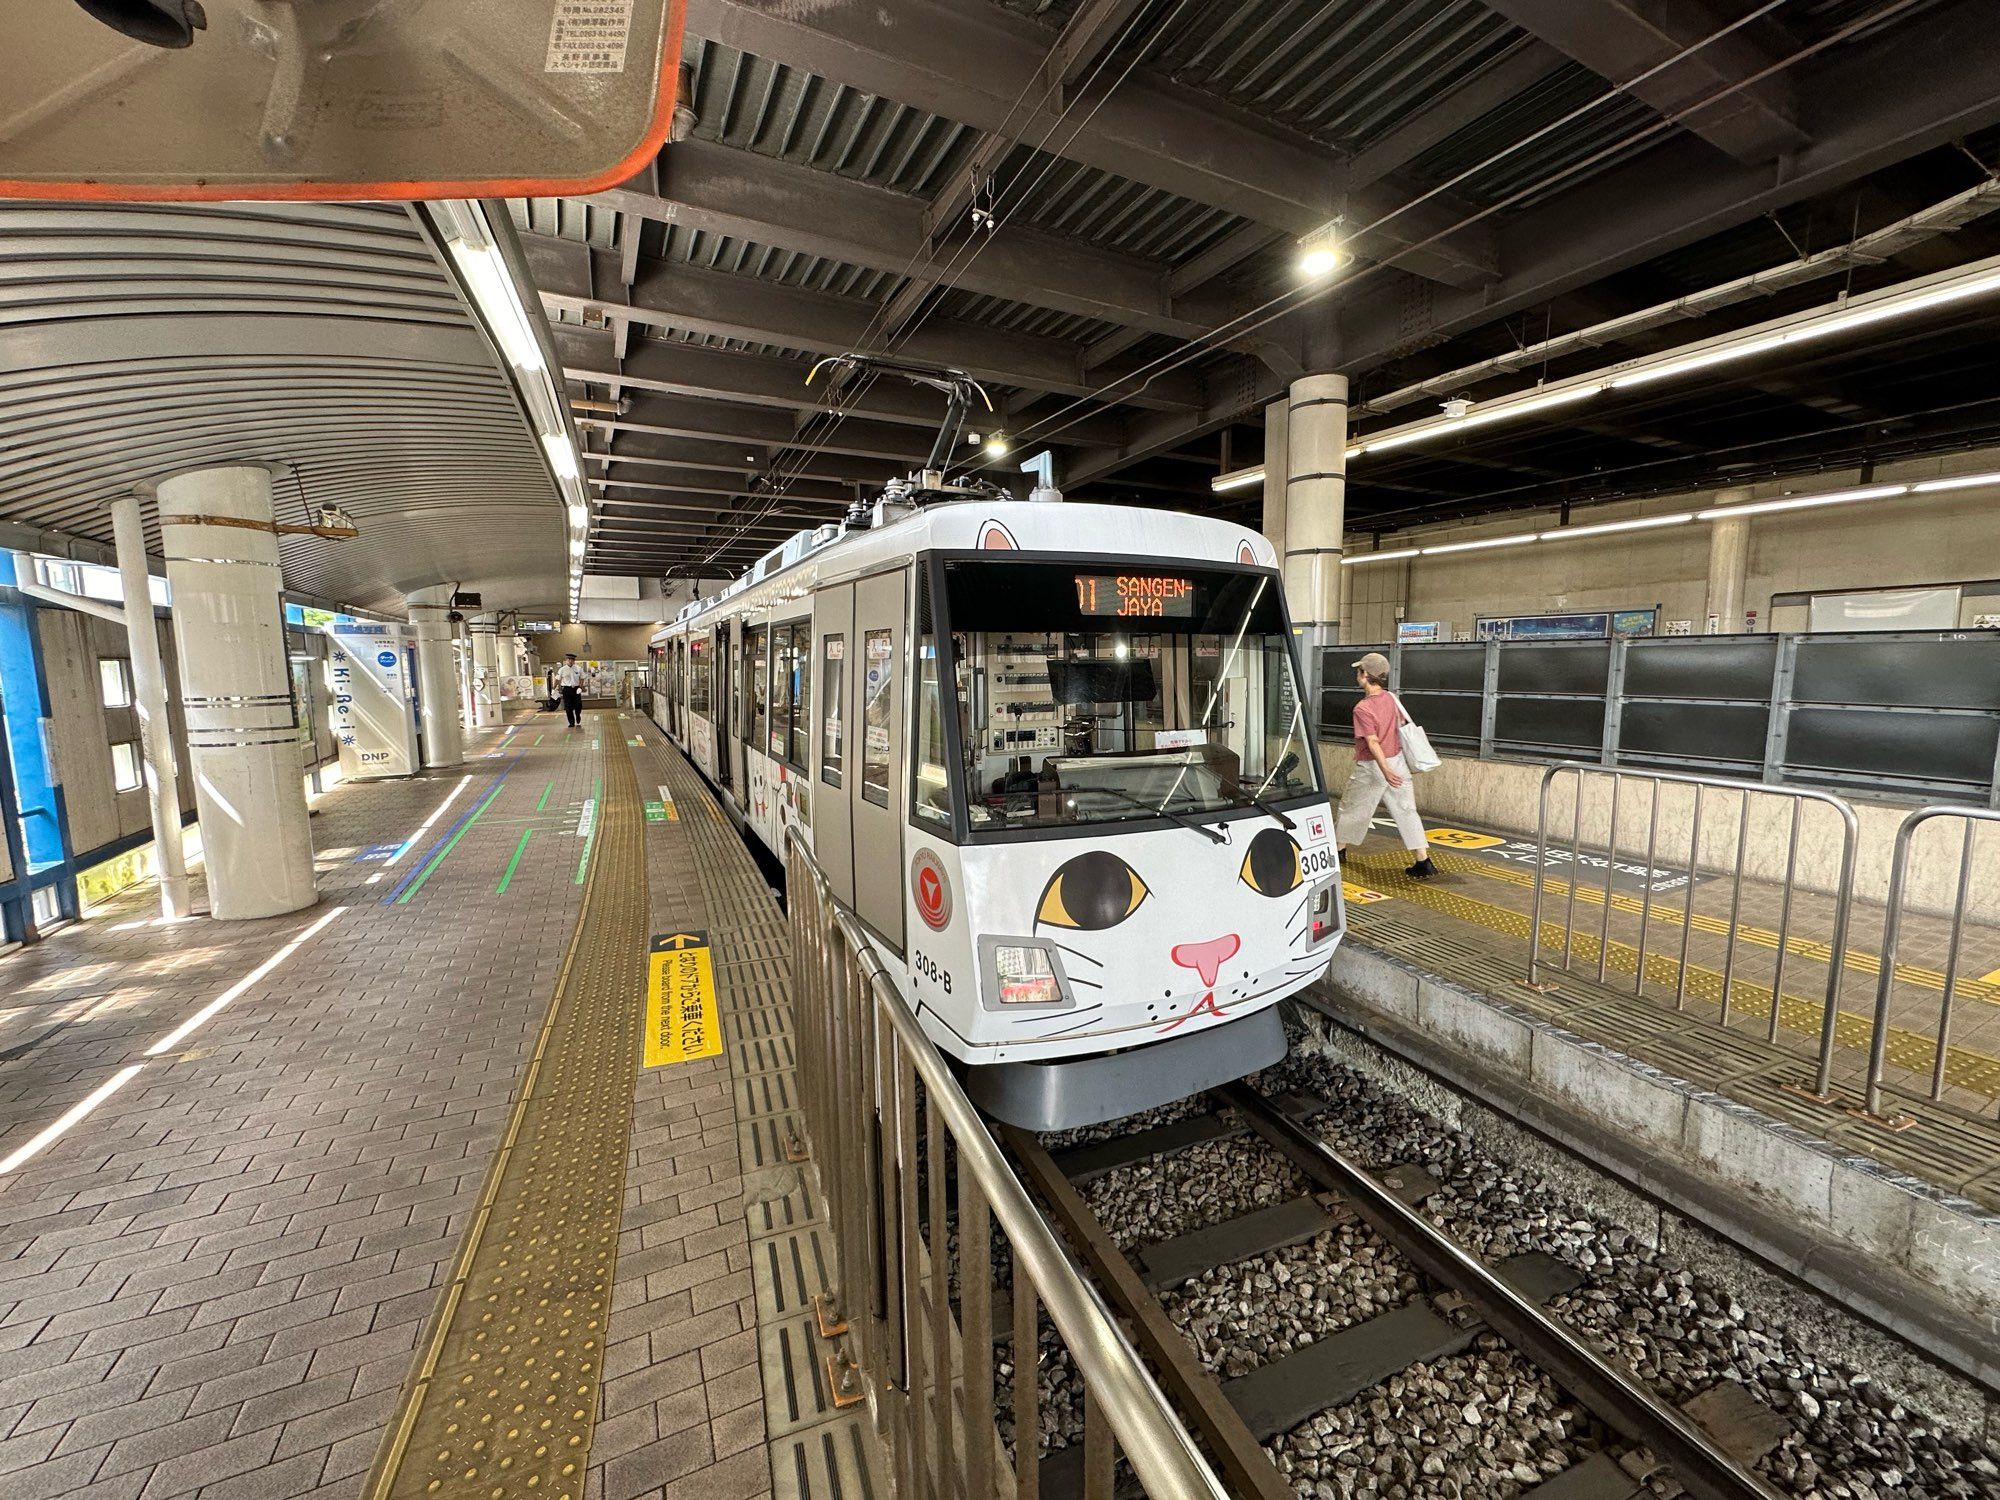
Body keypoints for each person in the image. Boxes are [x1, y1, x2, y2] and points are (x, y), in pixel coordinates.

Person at [1335, 652, 1434, 878]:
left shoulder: (1362, 708)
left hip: (1373, 766)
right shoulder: (1391, 698)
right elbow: (1399, 726)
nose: (1357, 674)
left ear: (1365, 675)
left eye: (1359, 671)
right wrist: (1392, 767)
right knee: (1407, 811)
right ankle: (1423, 860)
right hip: (1398, 761)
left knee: (1352, 807)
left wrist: (1385, 770)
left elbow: (1372, 742)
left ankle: (1339, 850)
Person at [554, 654, 585, 728]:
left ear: (574, 661)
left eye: (572, 660)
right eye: (569, 660)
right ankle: (571, 722)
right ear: (566, 660)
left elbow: (582, 678)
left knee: (578, 705)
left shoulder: (578, 668)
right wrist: (553, 688)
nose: (570, 661)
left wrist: (580, 687)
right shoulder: (562, 669)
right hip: (566, 689)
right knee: (568, 707)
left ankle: (578, 715)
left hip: (576, 689)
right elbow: (557, 679)